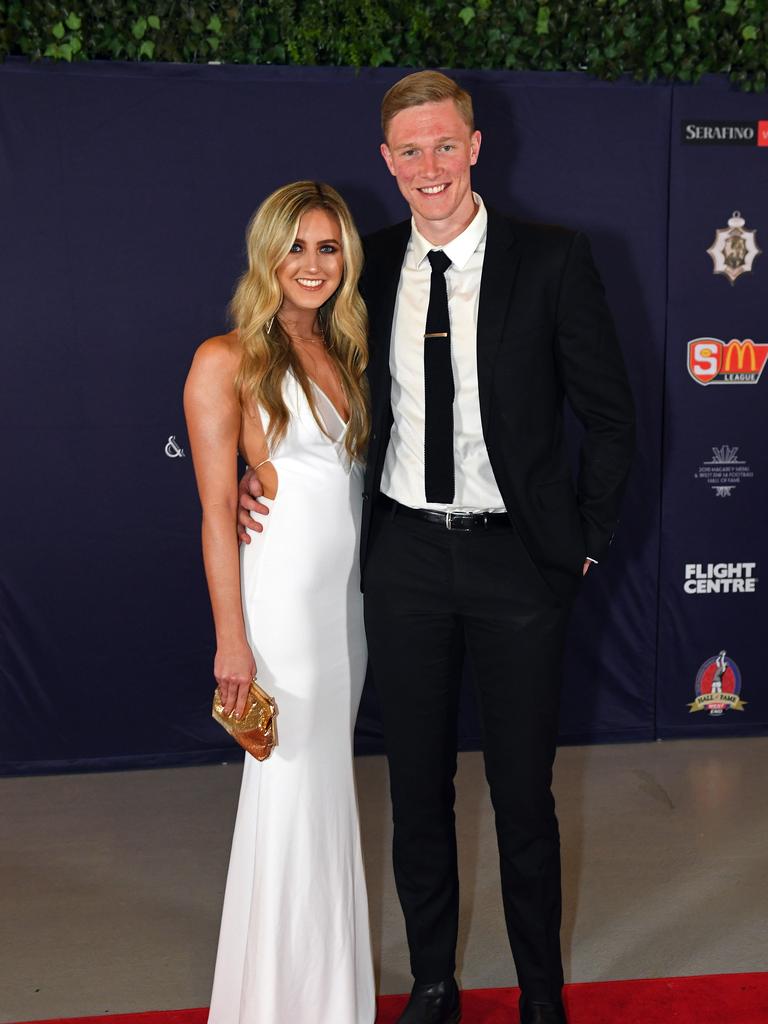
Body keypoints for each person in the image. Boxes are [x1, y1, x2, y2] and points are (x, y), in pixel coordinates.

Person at [239, 72, 635, 1024]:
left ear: (475, 145)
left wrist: (580, 546)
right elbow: (273, 358)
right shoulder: (362, 267)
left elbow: (611, 419)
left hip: (519, 566)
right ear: (387, 161)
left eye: (444, 145)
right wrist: (251, 463)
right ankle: (433, 984)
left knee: (523, 795)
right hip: (406, 561)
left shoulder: (555, 261)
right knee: (416, 789)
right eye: (408, 151)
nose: (429, 167)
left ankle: (542, 995)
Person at [184, 181, 376, 1024]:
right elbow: (216, 517)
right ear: (266, 254)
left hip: (346, 620)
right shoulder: (223, 359)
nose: (312, 264)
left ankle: (328, 996)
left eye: (328, 247)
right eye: (296, 246)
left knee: (326, 802)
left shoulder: (345, 354)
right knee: (288, 804)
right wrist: (234, 643)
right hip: (279, 626)